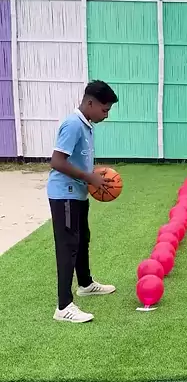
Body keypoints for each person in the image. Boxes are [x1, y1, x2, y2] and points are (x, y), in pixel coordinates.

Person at [47, 80, 118, 323]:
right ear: (90, 103)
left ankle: (85, 284)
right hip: (64, 194)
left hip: (77, 194)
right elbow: (57, 161)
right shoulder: (73, 125)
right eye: (104, 110)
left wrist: (92, 175)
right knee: (68, 246)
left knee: (82, 239)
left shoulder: (87, 125)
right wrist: (90, 177)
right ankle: (63, 306)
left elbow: (78, 160)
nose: (106, 115)